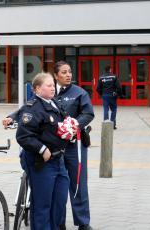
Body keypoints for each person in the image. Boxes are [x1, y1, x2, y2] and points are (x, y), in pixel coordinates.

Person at [16, 72, 69, 230]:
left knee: (58, 204)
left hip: (59, 160)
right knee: (42, 206)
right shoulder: (32, 108)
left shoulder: (54, 104)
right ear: (37, 89)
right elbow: (23, 136)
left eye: (53, 85)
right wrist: (42, 148)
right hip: (42, 162)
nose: (53, 88)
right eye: (49, 85)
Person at [54, 61, 94, 230]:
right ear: (56, 75)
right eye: (64, 72)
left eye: (70, 71)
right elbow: (31, 107)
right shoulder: (48, 91)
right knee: (58, 184)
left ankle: (83, 222)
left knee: (78, 183)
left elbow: (88, 113)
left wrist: (74, 125)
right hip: (54, 146)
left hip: (74, 146)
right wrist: (12, 117)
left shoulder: (79, 93)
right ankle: (59, 221)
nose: (68, 75)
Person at [96, 65, 122, 129]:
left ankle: (106, 125)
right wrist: (118, 94)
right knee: (114, 109)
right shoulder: (114, 76)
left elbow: (98, 88)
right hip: (113, 95)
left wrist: (101, 94)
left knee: (106, 109)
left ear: (105, 70)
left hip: (105, 95)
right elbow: (119, 87)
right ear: (110, 69)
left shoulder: (101, 77)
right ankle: (112, 124)